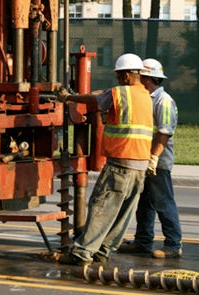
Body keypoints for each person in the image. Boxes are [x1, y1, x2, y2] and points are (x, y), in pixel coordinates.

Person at [57, 53, 153, 266]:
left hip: (121, 162)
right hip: (140, 166)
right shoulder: (145, 95)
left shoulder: (121, 93)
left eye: (119, 76)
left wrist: (69, 97)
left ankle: (82, 253)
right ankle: (102, 250)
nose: (118, 80)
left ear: (127, 75)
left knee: (101, 206)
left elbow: (95, 100)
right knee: (122, 212)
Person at [118, 58, 182, 258]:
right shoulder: (147, 98)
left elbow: (164, 132)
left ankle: (173, 244)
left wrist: (154, 158)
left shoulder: (163, 101)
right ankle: (143, 241)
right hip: (143, 159)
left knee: (163, 201)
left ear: (147, 78)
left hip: (157, 161)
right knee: (145, 203)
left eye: (141, 76)